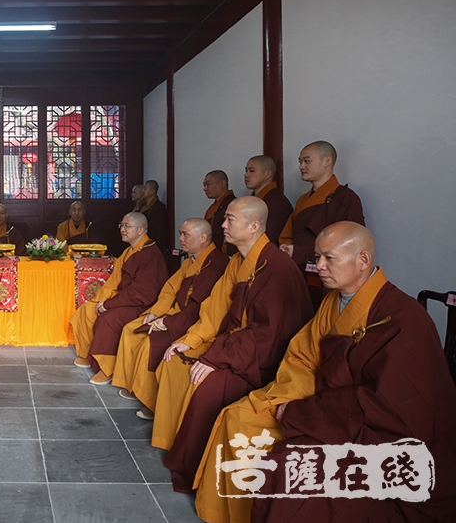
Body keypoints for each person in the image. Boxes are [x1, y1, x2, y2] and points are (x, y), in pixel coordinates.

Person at [193, 222, 456, 523]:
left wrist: (295, 412)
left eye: (329, 258)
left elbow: (385, 406)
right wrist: (288, 399)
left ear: (363, 260)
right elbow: (303, 357)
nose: (318, 266)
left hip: (367, 430)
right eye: (317, 257)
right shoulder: (333, 300)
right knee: (238, 417)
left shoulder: (406, 320)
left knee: (284, 463)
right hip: (318, 403)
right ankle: (225, 514)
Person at [152, 196, 314, 494]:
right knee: (175, 362)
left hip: (261, 359)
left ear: (254, 226)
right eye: (224, 219)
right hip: (233, 345)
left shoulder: (278, 268)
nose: (223, 225)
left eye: (230, 220)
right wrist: (190, 341)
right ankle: (176, 445)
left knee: (210, 387)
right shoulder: (238, 262)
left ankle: (196, 469)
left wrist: (215, 358)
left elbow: (267, 337)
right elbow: (214, 311)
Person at [111, 218, 229, 420]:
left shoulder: (217, 264)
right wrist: (156, 312)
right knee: (132, 329)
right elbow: (170, 289)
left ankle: (150, 399)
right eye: (180, 233)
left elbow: (199, 309)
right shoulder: (192, 260)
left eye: (185, 235)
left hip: (191, 321)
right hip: (173, 313)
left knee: (149, 343)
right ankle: (133, 384)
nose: (180, 239)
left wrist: (166, 322)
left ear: (203, 238)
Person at [70, 212, 168, 384]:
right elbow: (114, 281)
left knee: (108, 319)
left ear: (140, 230)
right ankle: (91, 356)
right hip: (125, 299)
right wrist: (101, 300)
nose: (122, 229)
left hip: (142, 305)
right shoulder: (130, 250)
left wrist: (109, 304)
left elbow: (142, 294)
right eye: (121, 225)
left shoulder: (149, 254)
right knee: (86, 310)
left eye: (127, 226)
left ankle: (106, 368)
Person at [279, 141, 365, 307]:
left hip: (328, 279)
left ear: (327, 161)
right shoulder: (302, 200)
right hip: (298, 275)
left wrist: (299, 252)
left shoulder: (346, 198)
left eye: (307, 160)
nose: (301, 166)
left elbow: (349, 246)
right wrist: (287, 249)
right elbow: (286, 235)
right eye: (300, 161)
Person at [243, 155, 293, 245]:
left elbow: (270, 239)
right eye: (246, 171)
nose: (246, 175)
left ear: (267, 174)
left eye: (252, 171)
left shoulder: (278, 203)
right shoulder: (252, 199)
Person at [203, 170, 237, 256]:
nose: (205, 188)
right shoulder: (215, 206)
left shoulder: (232, 204)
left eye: (208, 184)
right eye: (204, 185)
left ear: (222, 183)